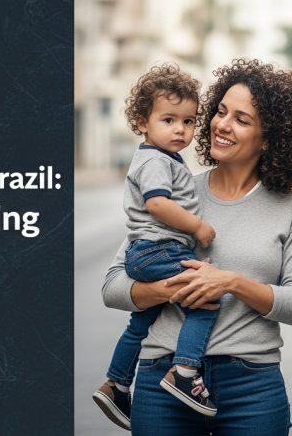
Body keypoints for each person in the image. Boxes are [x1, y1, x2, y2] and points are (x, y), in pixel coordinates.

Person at [102, 58, 292, 435]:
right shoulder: (176, 191)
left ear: (269, 137)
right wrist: (169, 289)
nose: (222, 124)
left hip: (252, 387)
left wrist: (230, 283)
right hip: (161, 379)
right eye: (220, 111)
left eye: (242, 119)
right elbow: (112, 288)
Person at [92, 64, 219, 430]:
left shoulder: (163, 158)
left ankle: (116, 383)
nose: (180, 129)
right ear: (142, 121)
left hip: (147, 252)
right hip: (161, 250)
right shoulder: (155, 161)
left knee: (140, 322)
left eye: (189, 121)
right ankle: (185, 371)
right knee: (207, 299)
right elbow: (158, 205)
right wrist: (197, 226)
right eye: (168, 120)